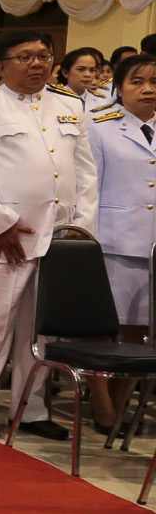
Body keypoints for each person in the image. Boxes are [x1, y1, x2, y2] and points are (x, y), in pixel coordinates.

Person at [0, 30, 98, 441]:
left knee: (42, 332)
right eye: (25, 57)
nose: (37, 63)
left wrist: (82, 230)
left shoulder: (69, 105)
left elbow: (85, 174)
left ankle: (29, 408)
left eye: (44, 56)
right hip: (5, 237)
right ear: (0, 66)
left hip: (60, 237)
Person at [85, 54, 156, 426]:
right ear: (119, 87)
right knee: (102, 327)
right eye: (137, 81)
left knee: (140, 330)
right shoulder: (99, 126)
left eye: (154, 82)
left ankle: (121, 403)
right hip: (112, 240)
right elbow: (88, 187)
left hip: (153, 246)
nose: (147, 89)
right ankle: (101, 403)